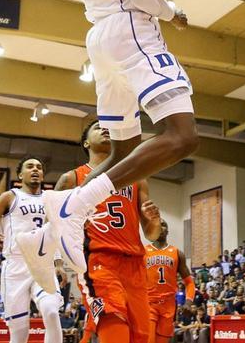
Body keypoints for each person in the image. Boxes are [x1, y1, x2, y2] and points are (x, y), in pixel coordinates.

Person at [18, 0, 199, 282]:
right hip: (132, 29)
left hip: (100, 40)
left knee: (122, 150)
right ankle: (76, 206)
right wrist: (173, 13)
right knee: (183, 137)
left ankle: (56, 220)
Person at [44, 122, 161, 343]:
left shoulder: (137, 178)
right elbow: (51, 225)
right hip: (98, 261)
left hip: (135, 264)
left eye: (108, 126)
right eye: (98, 127)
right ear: (86, 142)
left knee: (141, 337)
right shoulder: (72, 178)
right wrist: (56, 263)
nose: (105, 128)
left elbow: (152, 234)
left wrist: (154, 220)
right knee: (115, 328)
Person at [0, 157, 63, 343]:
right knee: (19, 332)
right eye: (30, 166)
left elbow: (53, 233)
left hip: (42, 262)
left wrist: (58, 263)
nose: (35, 170)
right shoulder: (10, 196)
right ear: (20, 174)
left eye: (39, 167)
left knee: (50, 311)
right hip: (15, 265)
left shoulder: (50, 199)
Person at [145, 219, 195, 343]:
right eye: (157, 225)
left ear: (167, 230)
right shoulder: (143, 251)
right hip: (149, 303)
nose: (160, 227)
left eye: (163, 225)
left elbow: (189, 282)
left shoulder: (178, 253)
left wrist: (188, 302)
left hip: (168, 306)